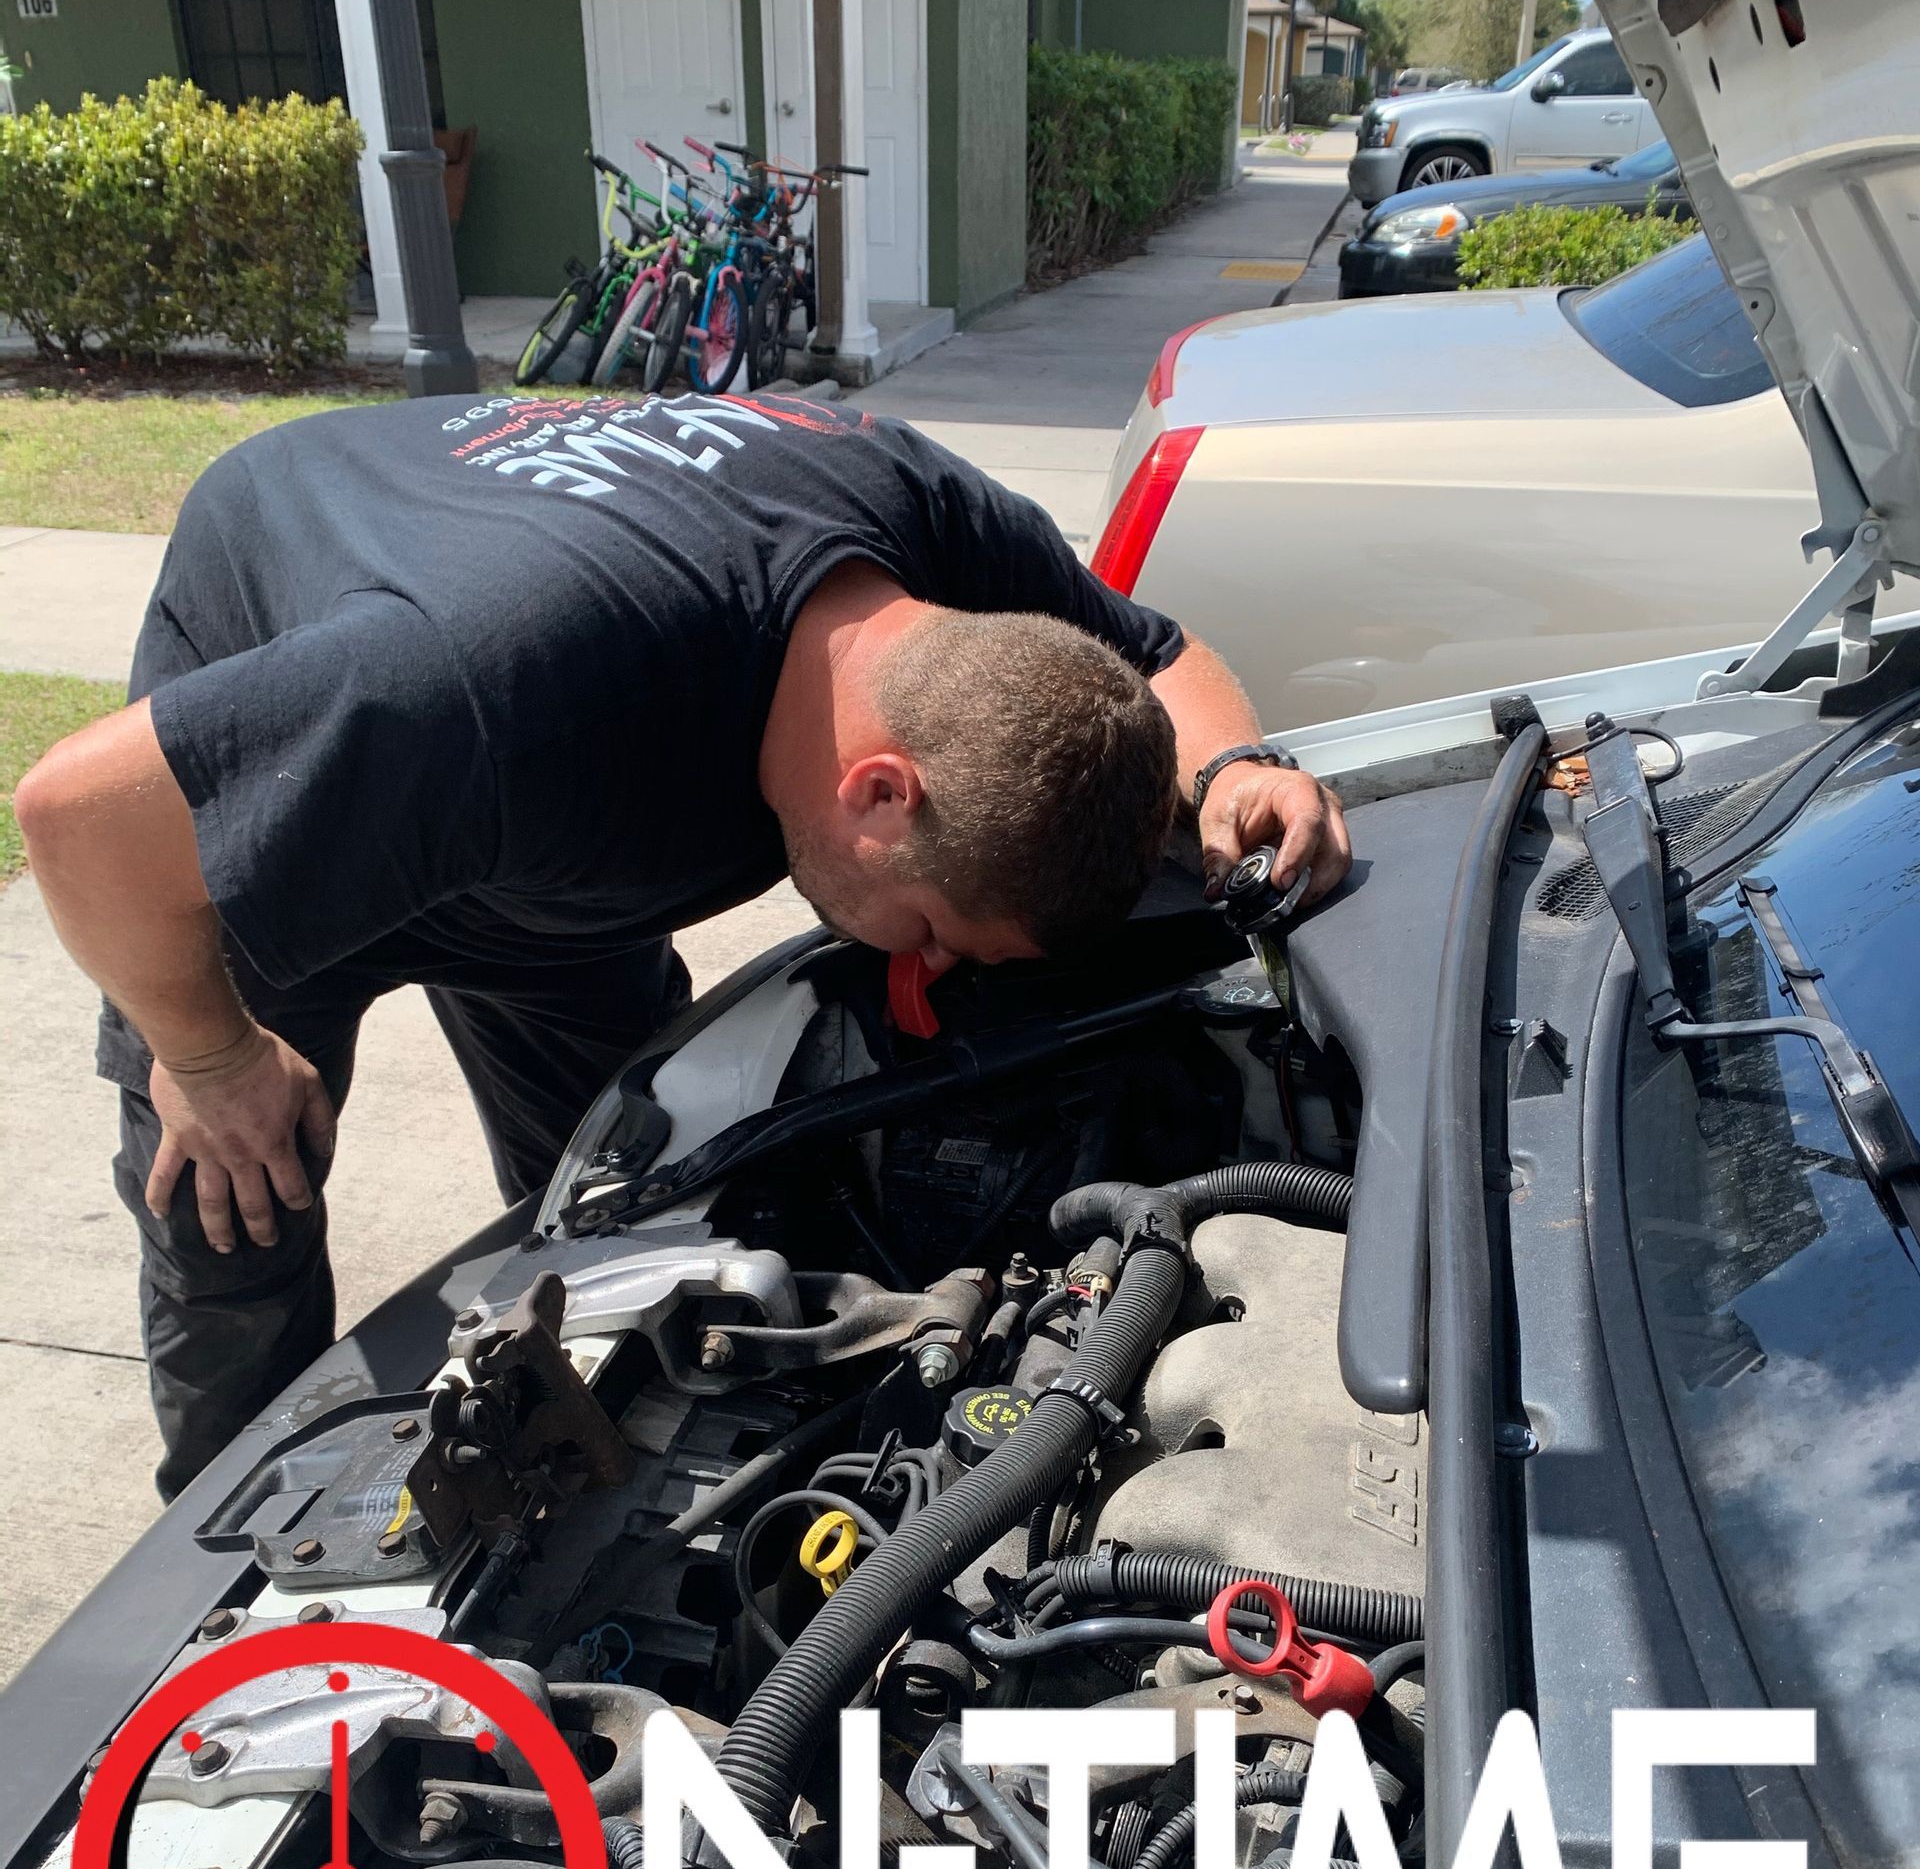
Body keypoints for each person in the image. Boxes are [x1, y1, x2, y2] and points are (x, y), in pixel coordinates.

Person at [18, 388, 1348, 1502]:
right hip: (296, 750)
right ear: (880, 791)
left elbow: (1156, 653)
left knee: (625, 1206)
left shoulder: (922, 524)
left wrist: (1232, 767)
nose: (929, 970)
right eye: (937, 930)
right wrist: (206, 1053)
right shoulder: (480, 685)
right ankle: (215, 1560)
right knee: (236, 1208)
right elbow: (77, 819)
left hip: (542, 853)